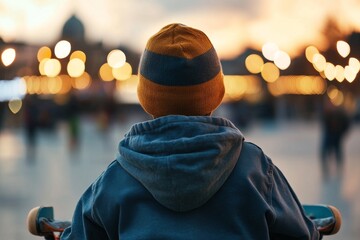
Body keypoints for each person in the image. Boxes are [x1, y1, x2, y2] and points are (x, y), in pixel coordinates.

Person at [61, 23, 319, 240]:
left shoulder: (116, 178)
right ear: (216, 93)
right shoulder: (255, 169)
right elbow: (301, 234)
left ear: (146, 97)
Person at [320, 100, 350, 180]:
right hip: (329, 135)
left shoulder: (340, 114)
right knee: (324, 152)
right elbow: (325, 123)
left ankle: (339, 167)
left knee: (337, 151)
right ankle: (326, 168)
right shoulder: (327, 113)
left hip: (336, 135)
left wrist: (341, 132)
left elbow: (346, 124)